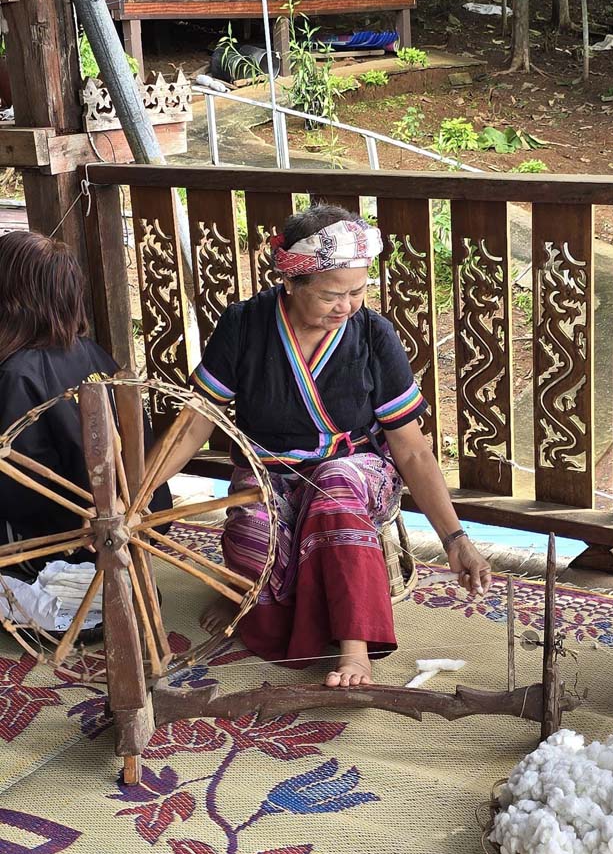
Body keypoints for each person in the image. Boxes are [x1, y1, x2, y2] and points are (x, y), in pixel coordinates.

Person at [152, 204, 491, 687]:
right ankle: (253, 600)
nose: (348, 306)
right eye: (333, 294)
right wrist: (138, 493)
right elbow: (194, 424)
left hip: (350, 464)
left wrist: (455, 539)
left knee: (334, 495)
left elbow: (411, 450)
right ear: (290, 283)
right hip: (267, 468)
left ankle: (355, 650)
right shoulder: (244, 326)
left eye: (358, 290)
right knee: (250, 537)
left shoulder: (373, 335)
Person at [0, 230, 171, 572]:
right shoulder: (93, 354)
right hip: (143, 517)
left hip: (73, 541)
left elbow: (16, 488)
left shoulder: (17, 374)